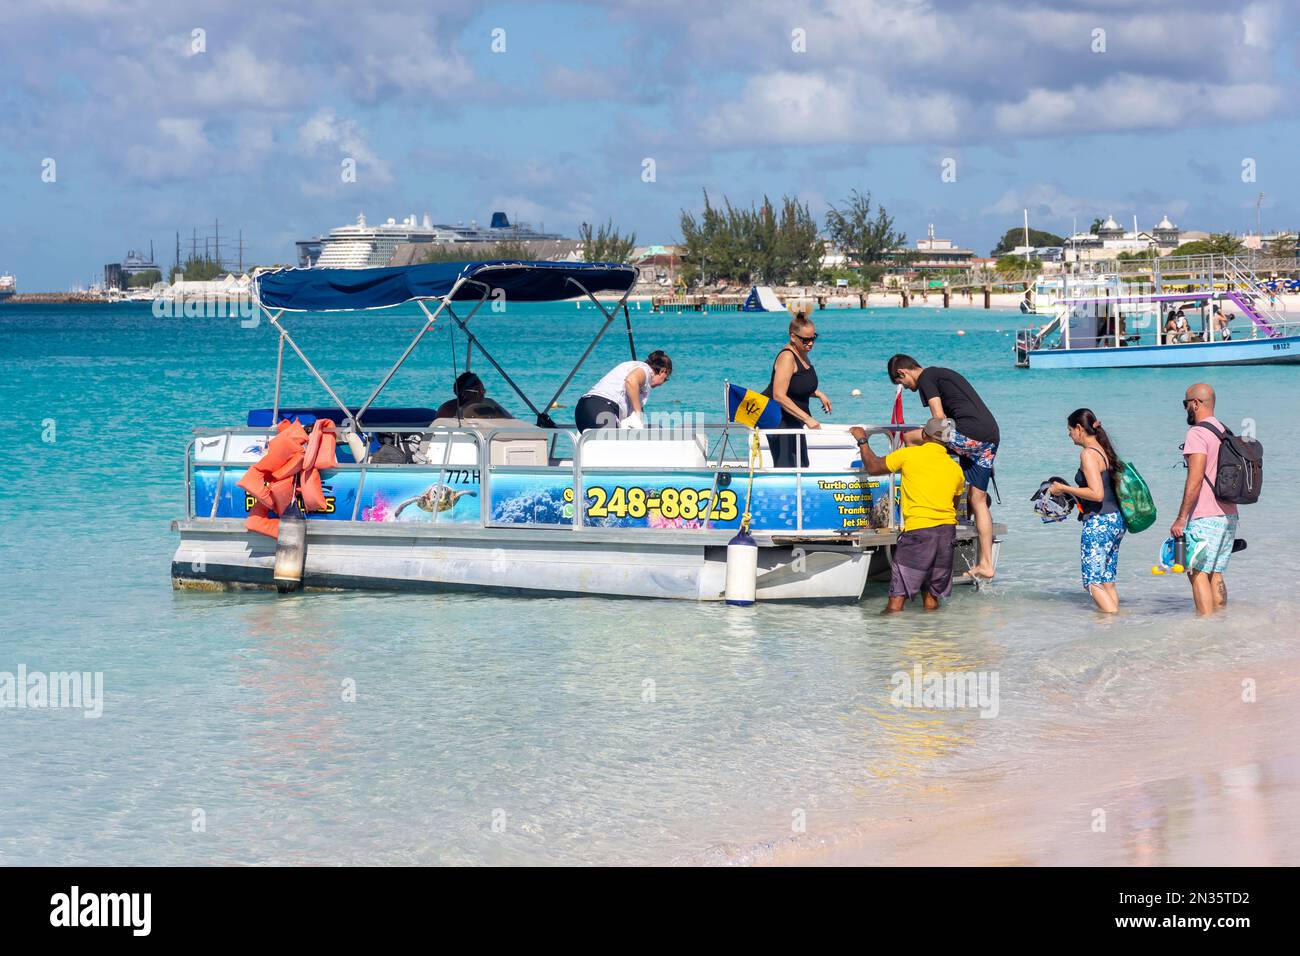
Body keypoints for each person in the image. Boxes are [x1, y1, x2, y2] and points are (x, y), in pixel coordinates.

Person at [886, 354, 999, 581]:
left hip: (970, 434)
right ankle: (986, 564)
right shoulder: (942, 373)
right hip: (990, 437)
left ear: (903, 373)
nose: (906, 388)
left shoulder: (926, 378)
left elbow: (939, 419)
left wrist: (923, 434)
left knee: (910, 438)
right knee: (977, 499)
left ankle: (920, 506)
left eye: (902, 384)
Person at [850, 418, 965, 613]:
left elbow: (873, 467)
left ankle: (888, 637)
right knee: (931, 599)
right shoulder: (955, 468)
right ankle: (937, 637)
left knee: (896, 600)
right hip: (947, 534)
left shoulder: (909, 455)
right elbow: (953, 505)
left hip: (919, 533)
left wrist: (862, 440)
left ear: (924, 435)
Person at [1048, 409, 1126, 613]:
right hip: (1115, 520)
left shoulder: (1088, 454)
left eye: (1070, 430)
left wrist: (1062, 488)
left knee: (1091, 582)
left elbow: (1097, 493)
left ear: (1079, 429)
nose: (1069, 434)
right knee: (1107, 581)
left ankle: (1112, 621)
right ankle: (1115, 627)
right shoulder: (1103, 450)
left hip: (1099, 523)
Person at [1171, 383, 1238, 615]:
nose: (1185, 409)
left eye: (1185, 404)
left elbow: (1195, 479)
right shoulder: (1224, 431)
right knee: (1216, 571)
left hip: (1206, 515)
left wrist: (1181, 518)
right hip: (1229, 514)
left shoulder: (1198, 433)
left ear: (1196, 404)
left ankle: (1206, 629)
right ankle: (1220, 622)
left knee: (1197, 571)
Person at [766, 315, 832, 468]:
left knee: (802, 465)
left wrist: (818, 393)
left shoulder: (802, 355)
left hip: (795, 421)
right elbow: (779, 395)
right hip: (781, 422)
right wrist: (808, 419)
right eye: (805, 339)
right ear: (793, 336)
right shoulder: (787, 357)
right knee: (787, 469)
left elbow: (797, 385)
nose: (810, 343)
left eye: (813, 338)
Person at [575, 350, 672, 432]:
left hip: (583, 409)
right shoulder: (646, 371)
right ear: (662, 371)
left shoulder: (633, 367)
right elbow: (631, 381)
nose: (662, 384)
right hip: (601, 408)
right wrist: (638, 414)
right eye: (665, 379)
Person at [434, 371, 512, 421]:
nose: (482, 396)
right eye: (479, 392)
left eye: (484, 391)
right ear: (464, 394)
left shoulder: (486, 409)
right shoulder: (446, 410)